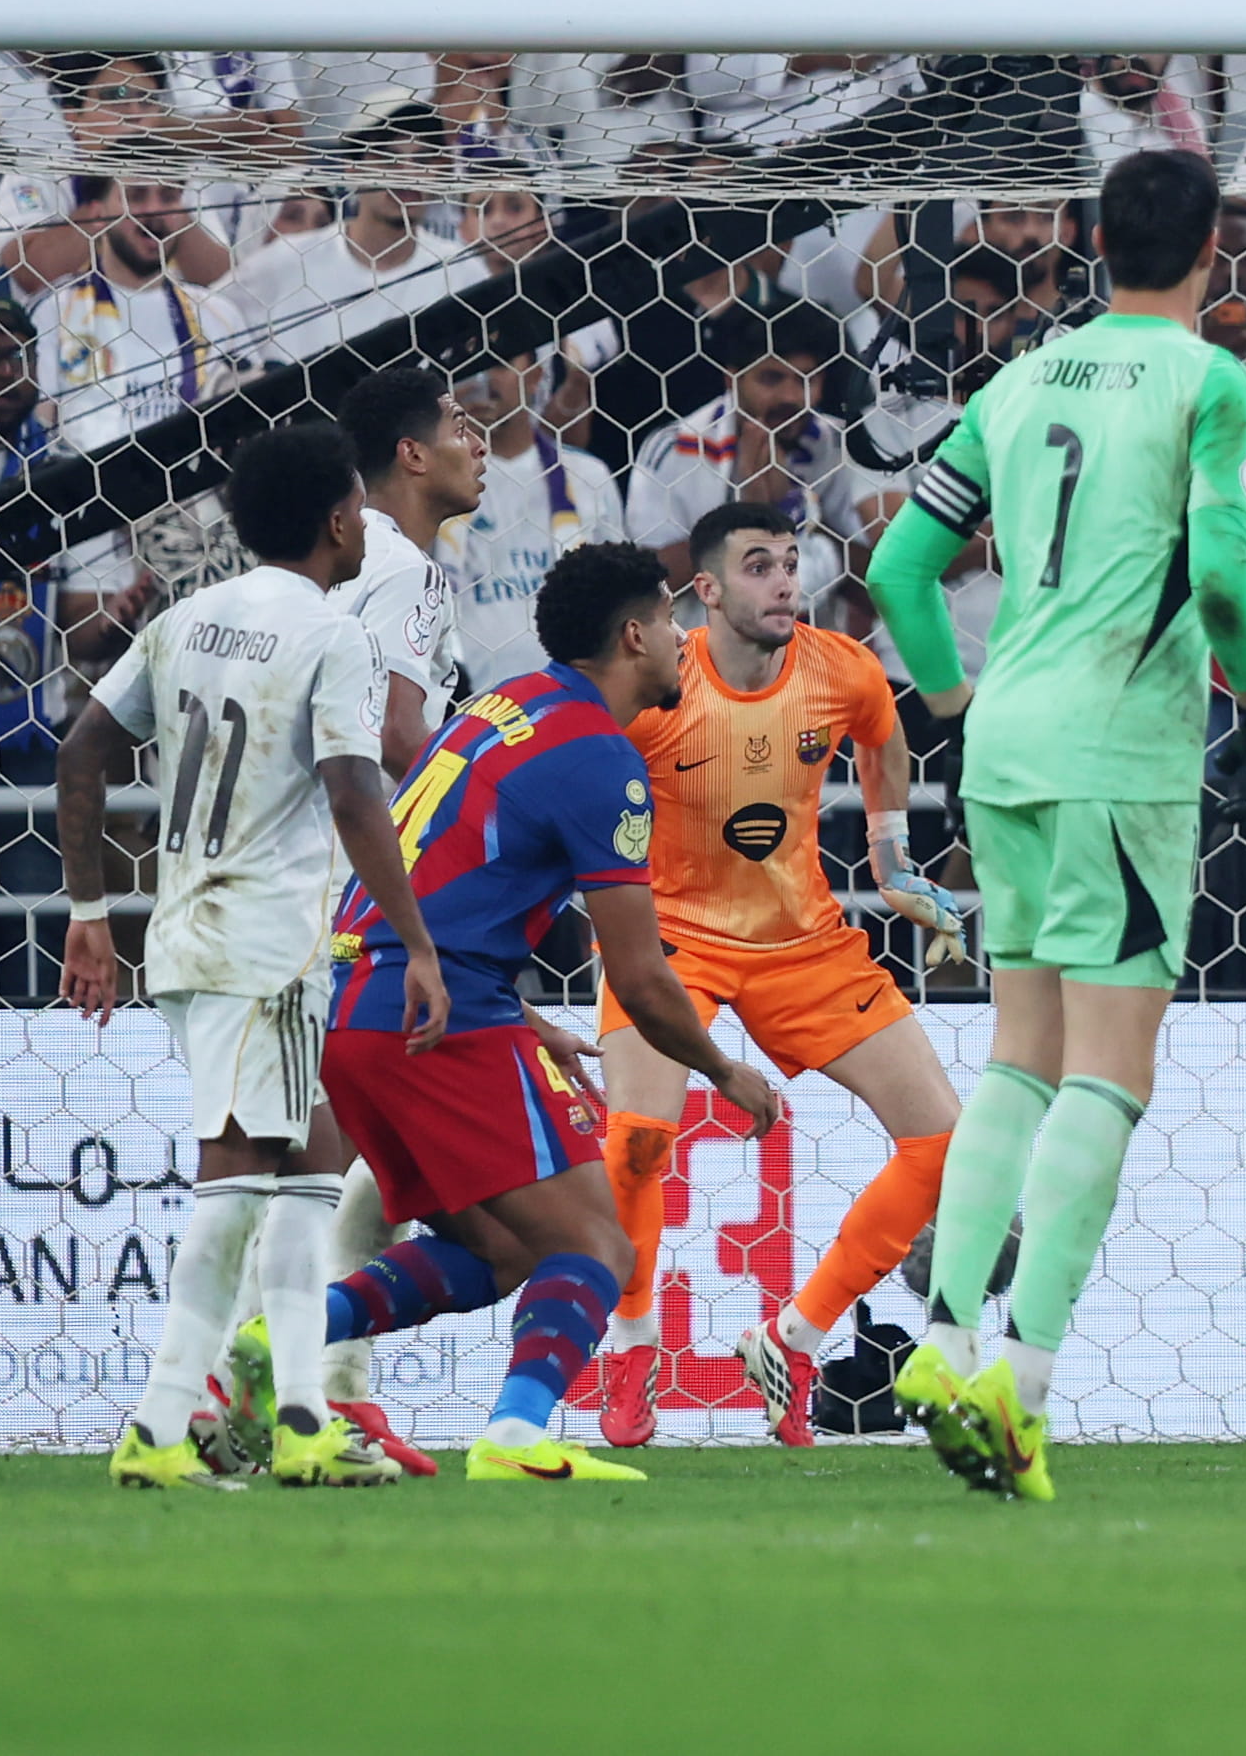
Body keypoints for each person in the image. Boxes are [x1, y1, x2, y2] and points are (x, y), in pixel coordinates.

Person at [861, 147, 1246, 1505]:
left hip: (1008, 744)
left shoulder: (1017, 378)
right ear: (1213, 249)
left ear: (1093, 241)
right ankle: (1021, 1381)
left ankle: (945, 1333)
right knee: (1112, 1069)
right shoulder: (1215, 383)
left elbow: (898, 566)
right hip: (1118, 751)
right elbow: (1219, 564)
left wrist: (946, 699)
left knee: (1021, 1055)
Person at [305, 539, 786, 1488]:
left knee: (501, 1252)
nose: (688, 639)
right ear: (634, 633)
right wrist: (728, 1074)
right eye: (673, 619)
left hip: (365, 1011)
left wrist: (527, 1023)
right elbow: (642, 982)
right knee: (595, 1244)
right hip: (438, 1019)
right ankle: (516, 1437)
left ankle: (275, 1338)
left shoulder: (504, 703)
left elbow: (447, 885)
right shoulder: (601, 761)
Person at [54, 424, 437, 1492]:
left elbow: (83, 745)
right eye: (359, 505)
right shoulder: (330, 630)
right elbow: (358, 791)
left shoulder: (186, 618)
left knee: (314, 1166)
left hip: (192, 930)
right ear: (334, 518)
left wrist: (91, 910)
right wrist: (415, 940)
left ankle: (305, 1417)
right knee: (239, 1174)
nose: (365, 522)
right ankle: (159, 1422)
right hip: (265, 942)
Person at [583, 506, 966, 1451]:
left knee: (945, 1144)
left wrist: (889, 859)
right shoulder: (656, 693)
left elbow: (882, 736)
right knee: (636, 1140)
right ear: (704, 591)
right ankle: (630, 1348)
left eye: (792, 563)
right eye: (759, 566)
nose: (786, 581)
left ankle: (793, 1338)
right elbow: (580, 788)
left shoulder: (841, 668)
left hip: (806, 943)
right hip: (674, 941)